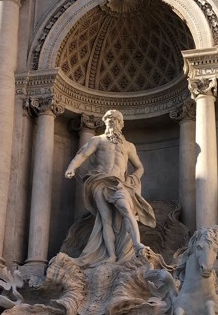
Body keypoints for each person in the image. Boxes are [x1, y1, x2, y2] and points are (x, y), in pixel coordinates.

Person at [65, 109, 155, 266]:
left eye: (115, 120)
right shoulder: (97, 140)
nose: (111, 122)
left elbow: (139, 167)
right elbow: (83, 156)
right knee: (105, 219)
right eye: (109, 120)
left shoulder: (128, 146)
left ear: (121, 124)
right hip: (99, 181)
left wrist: (133, 179)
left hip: (119, 183)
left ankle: (137, 244)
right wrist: (71, 167)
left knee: (127, 210)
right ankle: (111, 255)